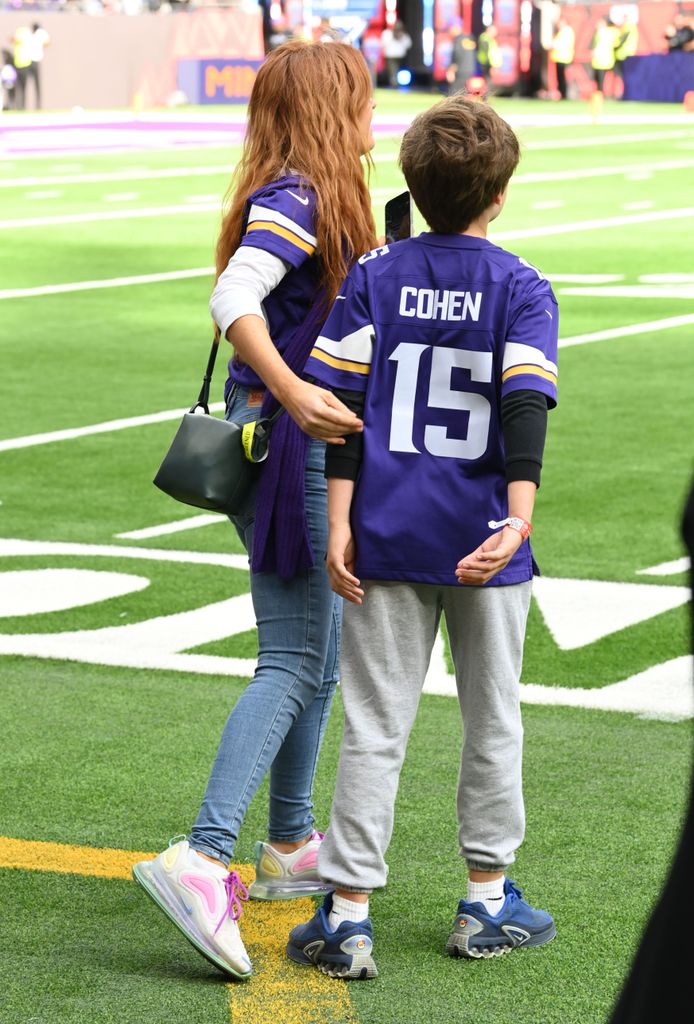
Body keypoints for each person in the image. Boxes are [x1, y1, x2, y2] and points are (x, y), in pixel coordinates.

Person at [287, 94, 558, 979]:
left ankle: (350, 910)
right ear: (500, 193)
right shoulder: (521, 286)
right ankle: (485, 899)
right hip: (489, 539)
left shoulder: (372, 273)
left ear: (412, 181)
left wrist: (337, 523)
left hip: (388, 532)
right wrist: (516, 519)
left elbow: (342, 412)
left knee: (374, 724)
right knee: (494, 720)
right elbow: (523, 409)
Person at [132, 40, 377, 981]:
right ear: (327, 108)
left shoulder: (303, 187)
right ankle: (204, 853)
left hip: (279, 446)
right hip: (290, 454)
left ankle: (286, 843)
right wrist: (297, 390)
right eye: (355, 99)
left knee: (316, 661)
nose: (369, 116)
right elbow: (232, 293)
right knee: (295, 660)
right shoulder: (304, 197)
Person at [446, 19, 478, 95]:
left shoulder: (458, 40)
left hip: (460, 70)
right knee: (462, 93)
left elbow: (457, 56)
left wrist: (451, 70)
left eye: (449, 28)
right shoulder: (469, 37)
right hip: (470, 70)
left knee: (453, 95)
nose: (449, 31)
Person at [590, 16, 618, 94]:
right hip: (605, 60)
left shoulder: (602, 32)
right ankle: (600, 97)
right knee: (600, 81)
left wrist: (595, 52)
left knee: (599, 82)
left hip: (601, 60)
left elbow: (600, 46)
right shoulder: (611, 32)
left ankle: (599, 99)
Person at [549, 16, 575, 100]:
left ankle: (564, 94)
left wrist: (554, 44)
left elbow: (563, 44)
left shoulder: (566, 31)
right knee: (560, 77)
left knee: (562, 77)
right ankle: (562, 93)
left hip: (564, 57)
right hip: (559, 57)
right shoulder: (561, 31)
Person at [381, 19, 412, 87]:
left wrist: (401, 37)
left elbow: (408, 44)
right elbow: (383, 43)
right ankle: (394, 83)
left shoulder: (404, 36)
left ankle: (397, 83)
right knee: (392, 70)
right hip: (390, 56)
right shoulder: (387, 34)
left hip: (400, 56)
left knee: (398, 70)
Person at [26, 22, 50, 109]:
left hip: (35, 61)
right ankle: (25, 106)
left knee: (37, 84)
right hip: (28, 61)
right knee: (29, 84)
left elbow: (47, 43)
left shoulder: (40, 34)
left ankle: (38, 106)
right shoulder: (30, 34)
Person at [476, 24, 501, 88]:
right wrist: (493, 65)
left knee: (487, 80)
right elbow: (490, 53)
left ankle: (485, 95)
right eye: (494, 31)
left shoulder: (489, 39)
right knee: (487, 80)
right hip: (486, 63)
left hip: (487, 62)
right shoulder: (486, 39)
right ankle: (485, 96)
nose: (496, 33)